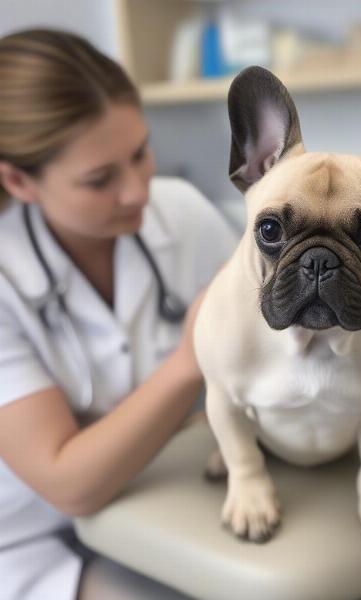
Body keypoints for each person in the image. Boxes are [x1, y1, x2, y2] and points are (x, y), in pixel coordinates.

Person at [0, 28, 237, 599]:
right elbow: (67, 483)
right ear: (17, 180)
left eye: (140, 153)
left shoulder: (180, 213)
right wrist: (189, 360)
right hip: (30, 536)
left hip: (155, 490)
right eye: (100, 179)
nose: (137, 191)